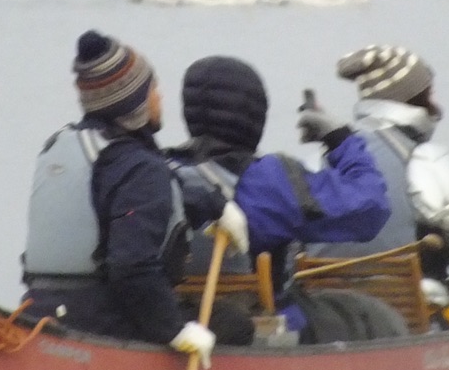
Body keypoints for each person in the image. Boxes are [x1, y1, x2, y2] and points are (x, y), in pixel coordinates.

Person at [19, 30, 227, 367]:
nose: (160, 97)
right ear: (135, 104)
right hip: (103, 321)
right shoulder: (139, 168)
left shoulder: (62, 146)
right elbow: (132, 268)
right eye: (153, 88)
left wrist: (217, 207)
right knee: (235, 325)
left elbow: (138, 193)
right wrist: (175, 331)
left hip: (40, 309)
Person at [301, 44, 449, 321]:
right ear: (415, 98)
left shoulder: (316, 159)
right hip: (406, 321)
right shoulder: (427, 160)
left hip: (323, 321)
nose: (438, 105)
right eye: (430, 93)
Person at [166, 55, 392, 284]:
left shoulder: (161, 172)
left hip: (172, 314)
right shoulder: (272, 180)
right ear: (254, 112)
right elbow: (370, 208)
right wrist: (339, 139)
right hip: (260, 313)